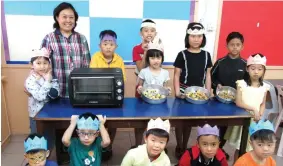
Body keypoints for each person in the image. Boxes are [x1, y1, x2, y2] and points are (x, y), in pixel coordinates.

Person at [173, 22, 212, 158]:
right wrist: (177, 92)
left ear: (203, 38)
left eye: (199, 36)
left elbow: (208, 75)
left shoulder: (207, 55)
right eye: (193, 36)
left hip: (200, 94)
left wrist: (208, 92)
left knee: (190, 121)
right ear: (187, 37)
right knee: (180, 121)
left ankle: (185, 145)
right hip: (184, 92)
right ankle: (179, 145)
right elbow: (176, 75)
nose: (196, 39)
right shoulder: (182, 54)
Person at [225, 53, 270, 162]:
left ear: (264, 70)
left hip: (255, 121)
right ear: (247, 69)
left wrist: (260, 114)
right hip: (243, 120)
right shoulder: (241, 84)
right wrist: (253, 109)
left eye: (260, 69)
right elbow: (239, 102)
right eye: (253, 68)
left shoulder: (265, 87)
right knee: (240, 147)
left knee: (252, 148)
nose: (256, 72)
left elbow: (262, 104)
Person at [41, 2, 91, 98]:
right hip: (57, 93)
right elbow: (42, 64)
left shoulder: (82, 38)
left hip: (79, 92)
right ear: (57, 18)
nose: (68, 20)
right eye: (64, 17)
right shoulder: (49, 38)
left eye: (71, 17)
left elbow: (87, 65)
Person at [211, 32, 246, 158]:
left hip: (236, 102)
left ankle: (219, 148)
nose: (235, 47)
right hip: (218, 101)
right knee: (217, 125)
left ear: (242, 46)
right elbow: (212, 77)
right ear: (227, 46)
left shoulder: (245, 64)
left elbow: (247, 83)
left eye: (238, 45)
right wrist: (217, 85)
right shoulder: (220, 62)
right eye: (232, 45)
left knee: (227, 127)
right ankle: (213, 147)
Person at [24, 48, 59, 133]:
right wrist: (47, 81)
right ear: (32, 65)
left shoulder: (50, 76)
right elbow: (40, 97)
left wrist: (53, 92)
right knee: (37, 138)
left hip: (50, 113)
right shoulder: (30, 80)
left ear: (49, 64)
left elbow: (56, 91)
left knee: (50, 137)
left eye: (45, 63)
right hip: (36, 115)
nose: (42, 66)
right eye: (38, 63)